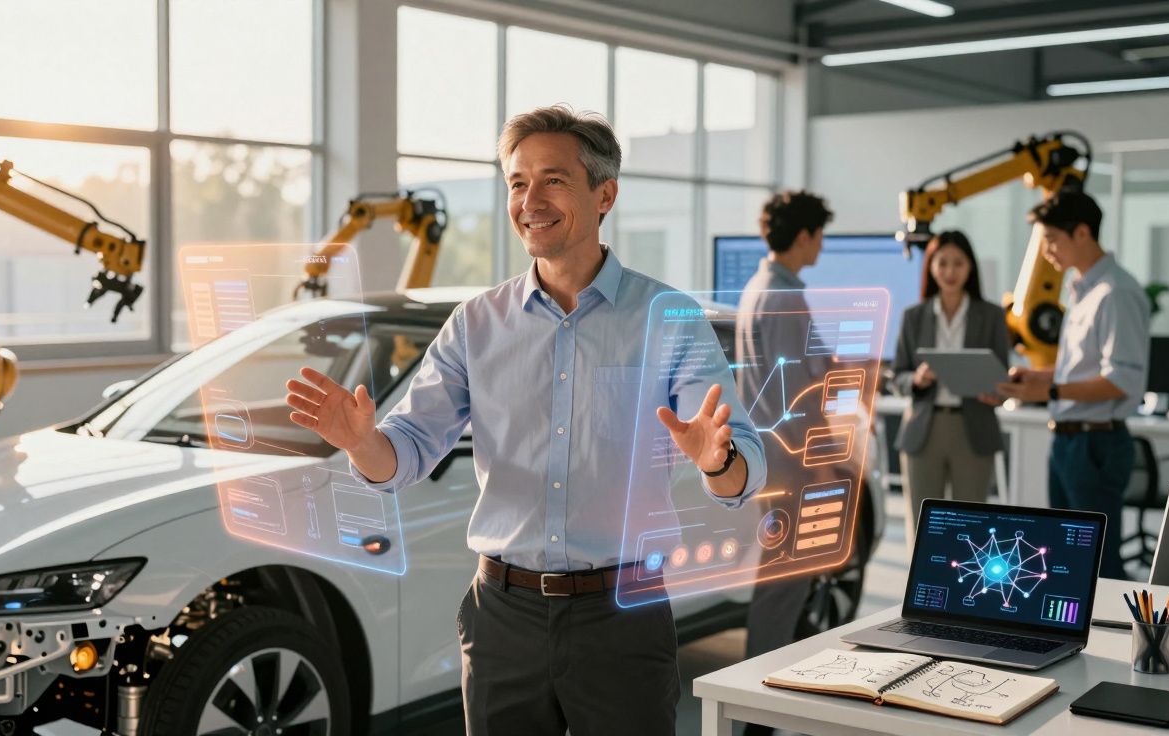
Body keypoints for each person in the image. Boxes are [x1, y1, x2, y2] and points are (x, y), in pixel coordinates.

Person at [284, 104, 766, 735]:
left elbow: (746, 468)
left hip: (623, 616)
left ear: (605, 194)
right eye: (516, 182)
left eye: (554, 179)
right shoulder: (476, 323)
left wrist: (716, 460)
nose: (529, 200)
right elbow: (403, 454)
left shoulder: (668, 317)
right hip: (502, 619)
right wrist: (364, 442)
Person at [996, 191, 1150, 580]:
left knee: (1098, 567)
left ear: (1082, 233)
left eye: (1051, 240)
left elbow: (1122, 379)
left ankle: (1116, 639)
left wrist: (1048, 392)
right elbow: (1079, 371)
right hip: (1068, 443)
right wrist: (1037, 378)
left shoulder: (1116, 294)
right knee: (1066, 561)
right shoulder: (1082, 291)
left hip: (1095, 444)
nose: (1047, 252)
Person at [735, 190, 832, 736]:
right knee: (781, 584)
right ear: (804, 237)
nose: (820, 246)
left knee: (778, 581)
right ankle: (757, 711)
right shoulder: (787, 297)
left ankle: (759, 703)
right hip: (791, 457)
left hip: (768, 453)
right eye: (819, 236)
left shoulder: (760, 288)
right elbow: (801, 389)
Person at [890, 231, 1008, 544]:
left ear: (971, 267)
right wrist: (916, 379)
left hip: (974, 428)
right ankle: (923, 593)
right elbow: (897, 376)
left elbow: (1002, 379)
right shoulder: (913, 317)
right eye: (942, 263)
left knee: (972, 530)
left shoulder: (992, 316)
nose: (950, 272)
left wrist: (997, 392)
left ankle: (966, 593)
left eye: (958, 263)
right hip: (924, 431)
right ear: (930, 267)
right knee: (925, 528)